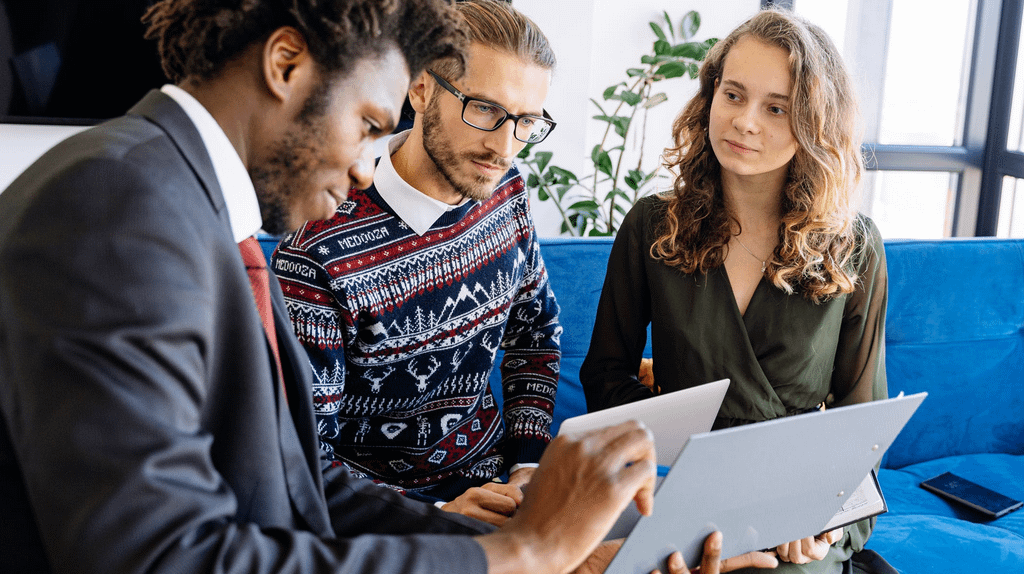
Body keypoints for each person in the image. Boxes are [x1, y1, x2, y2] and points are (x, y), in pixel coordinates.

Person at [0, 1, 778, 573]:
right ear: (286, 64)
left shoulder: (174, 199)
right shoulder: (116, 205)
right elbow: (161, 556)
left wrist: (559, 553)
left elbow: (301, 484)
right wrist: (526, 554)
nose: (366, 166)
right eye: (371, 123)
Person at [580, 8, 890, 574]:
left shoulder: (854, 246)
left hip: (796, 519)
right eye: (733, 95)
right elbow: (604, 376)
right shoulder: (652, 225)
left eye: (777, 108)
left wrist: (827, 522)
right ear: (710, 96)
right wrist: (678, 452)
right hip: (685, 499)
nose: (745, 122)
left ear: (815, 124)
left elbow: (860, 426)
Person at [272, 0, 559, 526]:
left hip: (502, 491)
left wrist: (527, 464)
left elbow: (535, 334)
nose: (505, 147)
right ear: (422, 89)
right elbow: (305, 455)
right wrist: (438, 514)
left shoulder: (505, 191)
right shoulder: (318, 251)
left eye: (526, 122)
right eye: (485, 109)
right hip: (391, 524)